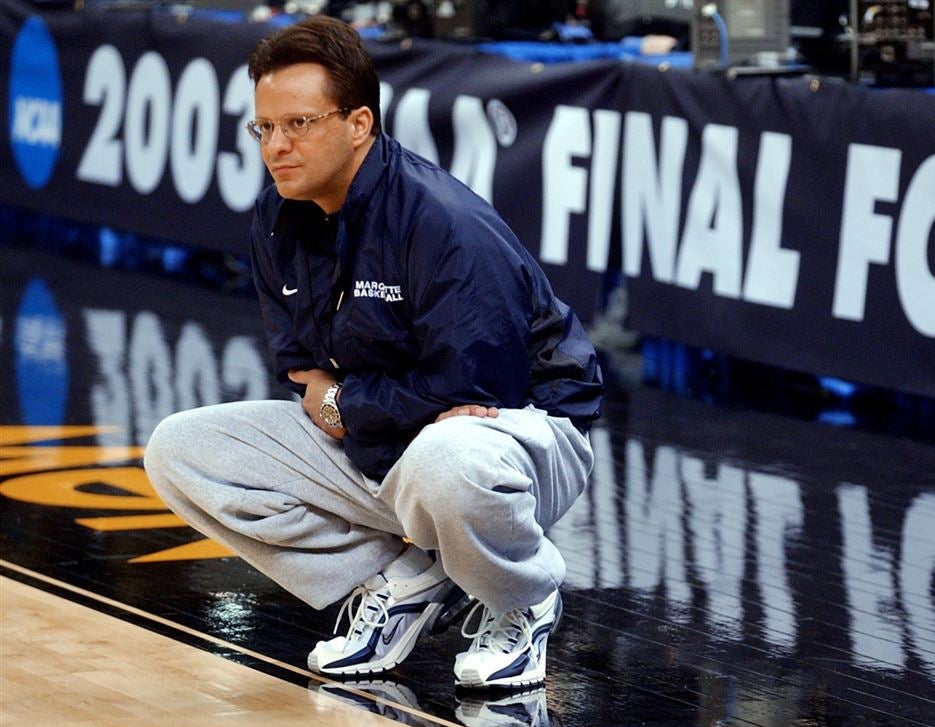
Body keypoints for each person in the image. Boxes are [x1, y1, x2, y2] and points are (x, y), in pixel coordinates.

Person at [144, 15, 602, 690]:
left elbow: (478, 396)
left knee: (450, 459)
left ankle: (521, 596)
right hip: (392, 439)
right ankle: (411, 578)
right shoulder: (278, 215)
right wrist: (353, 406)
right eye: (264, 128)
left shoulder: (443, 224)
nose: (277, 146)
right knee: (179, 450)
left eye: (299, 123)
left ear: (359, 123)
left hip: (525, 437)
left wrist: (347, 404)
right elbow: (303, 374)